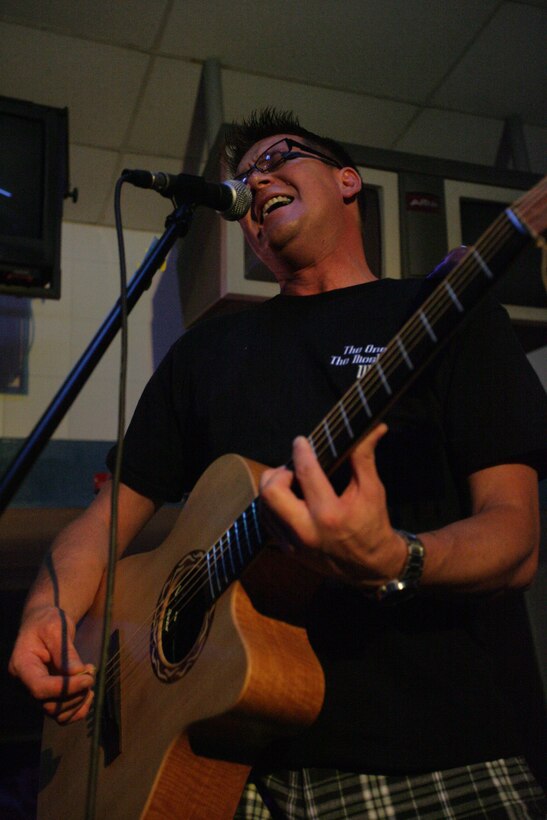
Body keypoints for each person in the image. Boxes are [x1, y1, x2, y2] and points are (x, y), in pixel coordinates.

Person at [9, 108, 547, 818]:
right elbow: (104, 523)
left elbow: (514, 539)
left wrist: (397, 558)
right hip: (225, 770)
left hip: (433, 758)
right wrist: (47, 607)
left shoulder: (443, 310)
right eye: (242, 177)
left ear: (347, 180)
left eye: (277, 157)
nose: (255, 180)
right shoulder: (202, 355)